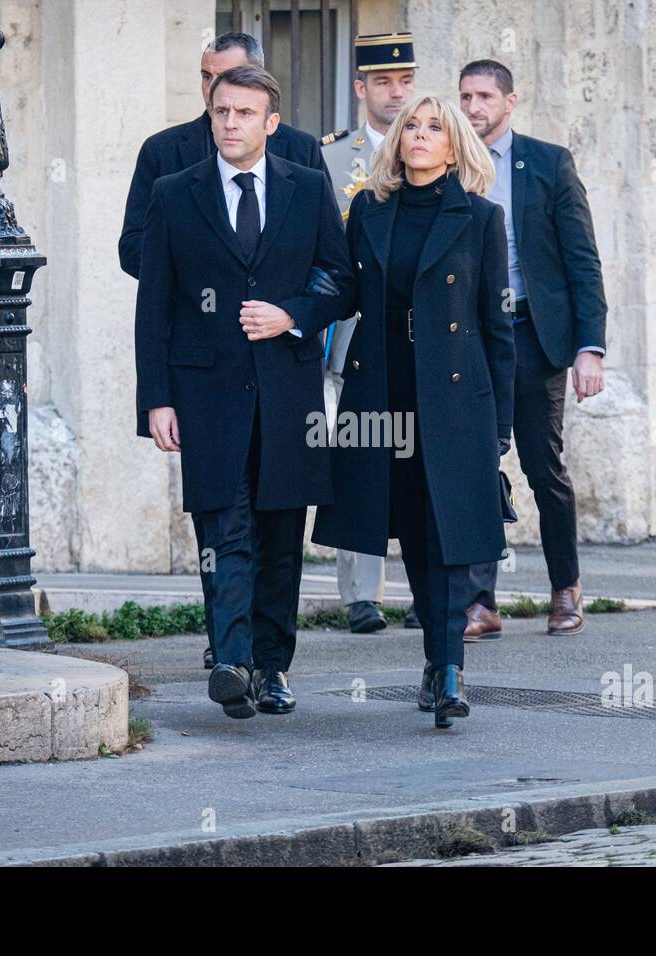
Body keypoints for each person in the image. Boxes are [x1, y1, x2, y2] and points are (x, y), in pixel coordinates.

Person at [135, 66, 354, 719]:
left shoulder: (309, 188)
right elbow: (154, 306)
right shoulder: (176, 194)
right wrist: (157, 398)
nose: (230, 123)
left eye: (243, 113)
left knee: (281, 535)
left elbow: (342, 282)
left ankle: (273, 666)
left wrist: (291, 314)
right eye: (221, 111)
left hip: (288, 394)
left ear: (270, 122)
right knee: (222, 528)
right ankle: (231, 661)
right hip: (207, 395)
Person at [312, 95, 514, 729]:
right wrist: (291, 309)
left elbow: (496, 327)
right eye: (412, 128)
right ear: (397, 142)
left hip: (455, 396)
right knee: (407, 528)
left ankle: (449, 667)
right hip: (382, 389)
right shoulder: (368, 211)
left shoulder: (482, 217)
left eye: (435, 129)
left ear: (454, 147)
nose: (420, 136)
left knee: (447, 532)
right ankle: (436, 657)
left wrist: (500, 425)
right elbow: (344, 291)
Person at [458, 59, 609, 641]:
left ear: (510, 101)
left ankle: (565, 588)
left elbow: (582, 259)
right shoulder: (445, 163)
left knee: (542, 465)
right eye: (466, 96)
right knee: (475, 464)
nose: (474, 108)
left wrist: (587, 348)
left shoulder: (548, 163)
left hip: (532, 334)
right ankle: (480, 602)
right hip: (467, 338)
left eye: (485, 97)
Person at [320, 31, 418, 635]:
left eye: (405, 81)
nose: (396, 91)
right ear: (361, 88)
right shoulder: (331, 158)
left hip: (414, 335)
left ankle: (425, 585)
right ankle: (361, 594)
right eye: (383, 81)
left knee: (417, 454)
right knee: (359, 455)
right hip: (350, 333)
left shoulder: (433, 151)